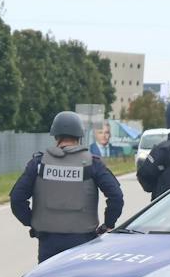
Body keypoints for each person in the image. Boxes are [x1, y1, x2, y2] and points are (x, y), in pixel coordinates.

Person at [10, 111, 124, 262]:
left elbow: (17, 198)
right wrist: (108, 224)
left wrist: (33, 222)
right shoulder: (92, 163)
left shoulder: (39, 164)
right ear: (79, 136)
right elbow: (116, 196)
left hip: (48, 242)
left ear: (55, 136)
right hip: (84, 241)